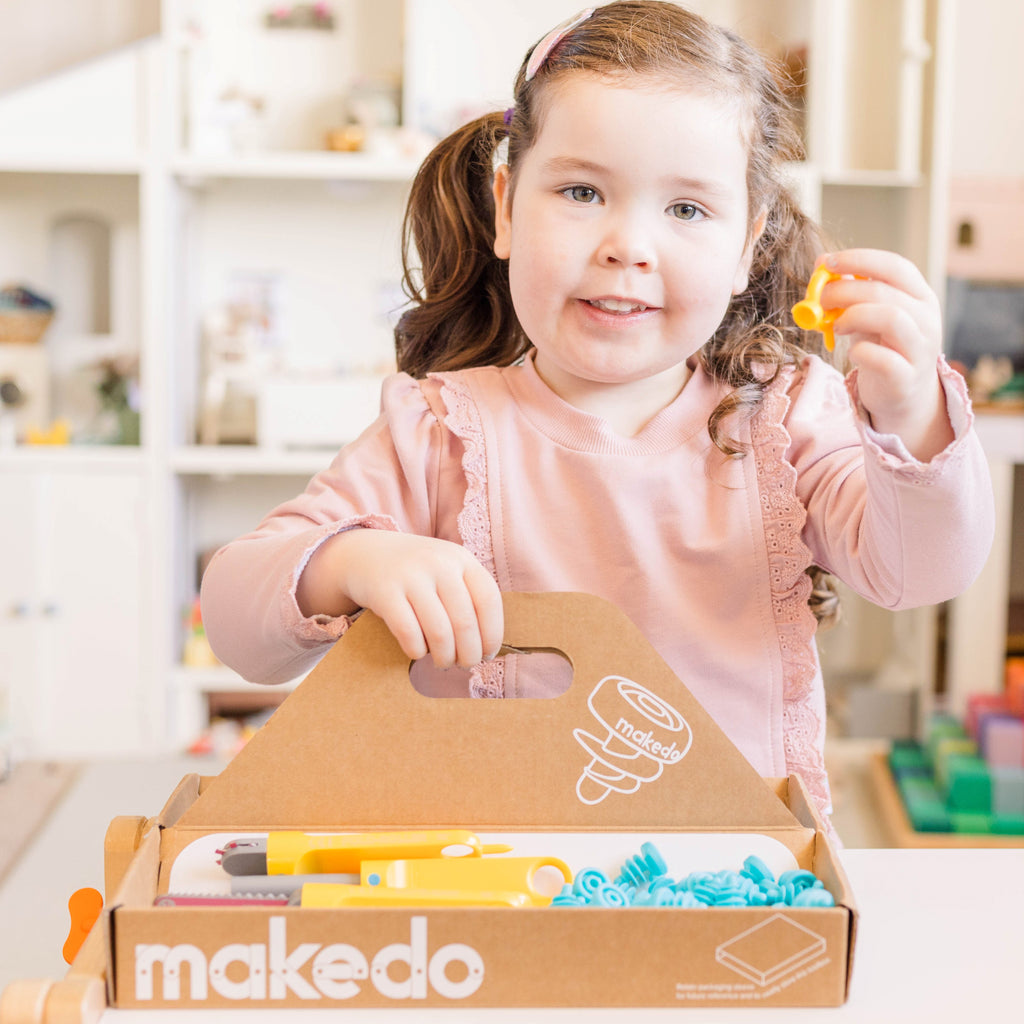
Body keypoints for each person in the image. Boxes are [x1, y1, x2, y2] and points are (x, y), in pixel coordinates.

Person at [201, 1, 993, 831]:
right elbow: (236, 619)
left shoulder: (787, 414)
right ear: (506, 206)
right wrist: (354, 560)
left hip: (730, 886)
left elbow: (924, 571)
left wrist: (912, 417)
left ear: (748, 245)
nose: (629, 244)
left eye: (686, 209)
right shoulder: (440, 431)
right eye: (582, 191)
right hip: (498, 904)